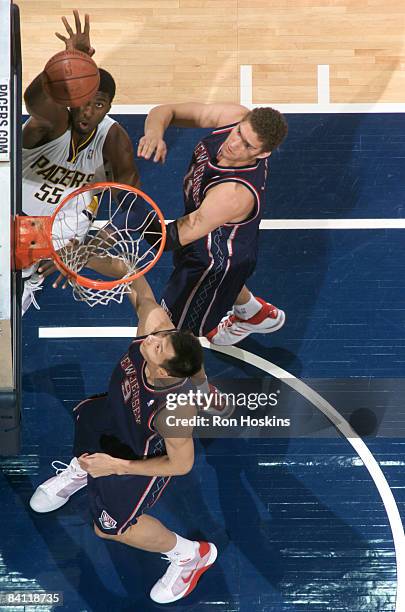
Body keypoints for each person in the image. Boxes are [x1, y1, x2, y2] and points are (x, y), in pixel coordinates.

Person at [29, 261, 217, 604]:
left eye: (160, 346)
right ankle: (82, 472)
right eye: (161, 338)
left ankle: (191, 555)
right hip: (110, 416)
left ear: (163, 371)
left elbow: (180, 465)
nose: (154, 338)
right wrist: (85, 256)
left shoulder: (174, 411)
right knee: (86, 438)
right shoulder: (158, 334)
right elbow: (136, 282)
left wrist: (117, 467)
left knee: (111, 529)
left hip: (138, 456)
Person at [137, 102, 288, 345]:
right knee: (227, 279)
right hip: (216, 231)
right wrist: (154, 133)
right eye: (239, 132)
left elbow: (170, 238)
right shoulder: (234, 115)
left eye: (247, 145)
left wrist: (131, 214)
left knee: (171, 335)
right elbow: (166, 111)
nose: (234, 143)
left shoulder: (233, 193)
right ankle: (253, 313)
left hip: (212, 264)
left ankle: (189, 382)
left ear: (262, 154)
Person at [22, 10, 140, 315]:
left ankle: (29, 275)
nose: (88, 112)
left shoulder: (114, 140)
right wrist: (70, 61)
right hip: (14, 214)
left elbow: (132, 208)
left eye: (98, 104)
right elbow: (33, 101)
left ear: (109, 107)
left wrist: (91, 247)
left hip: (65, 230)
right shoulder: (54, 121)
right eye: (84, 102)